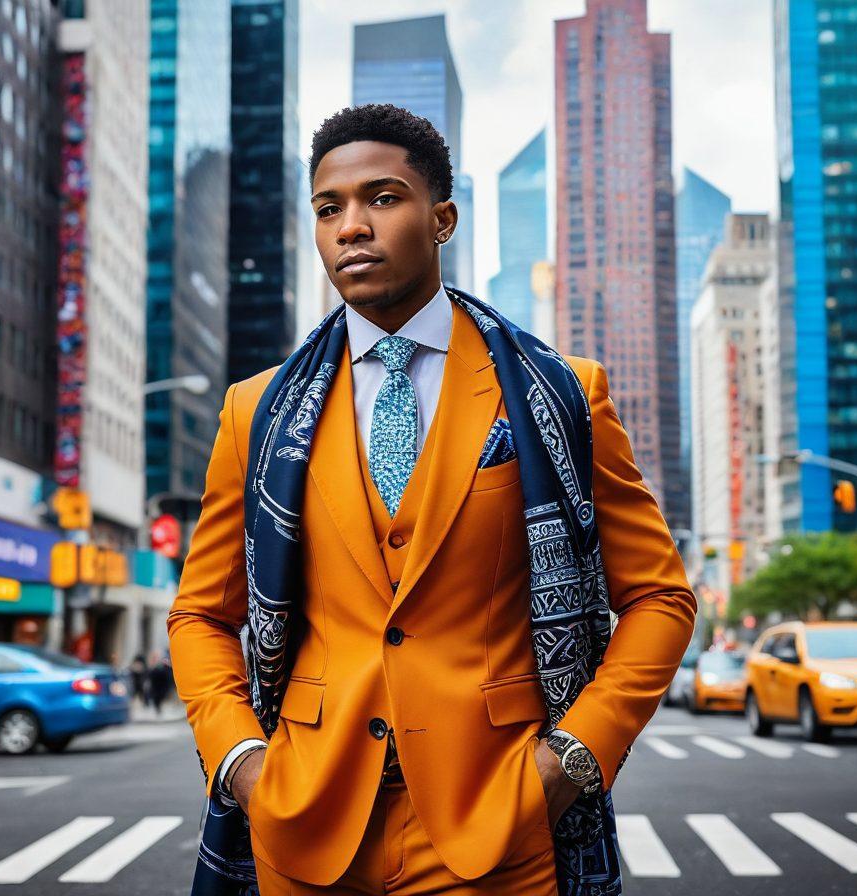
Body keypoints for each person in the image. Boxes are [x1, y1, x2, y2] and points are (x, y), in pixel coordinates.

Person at [168, 104, 697, 896]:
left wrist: (575, 756)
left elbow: (659, 597)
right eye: (328, 208)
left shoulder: (561, 394)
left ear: (442, 218)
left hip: (502, 826)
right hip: (305, 825)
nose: (352, 227)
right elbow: (202, 614)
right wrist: (242, 763)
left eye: (382, 199)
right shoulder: (258, 410)